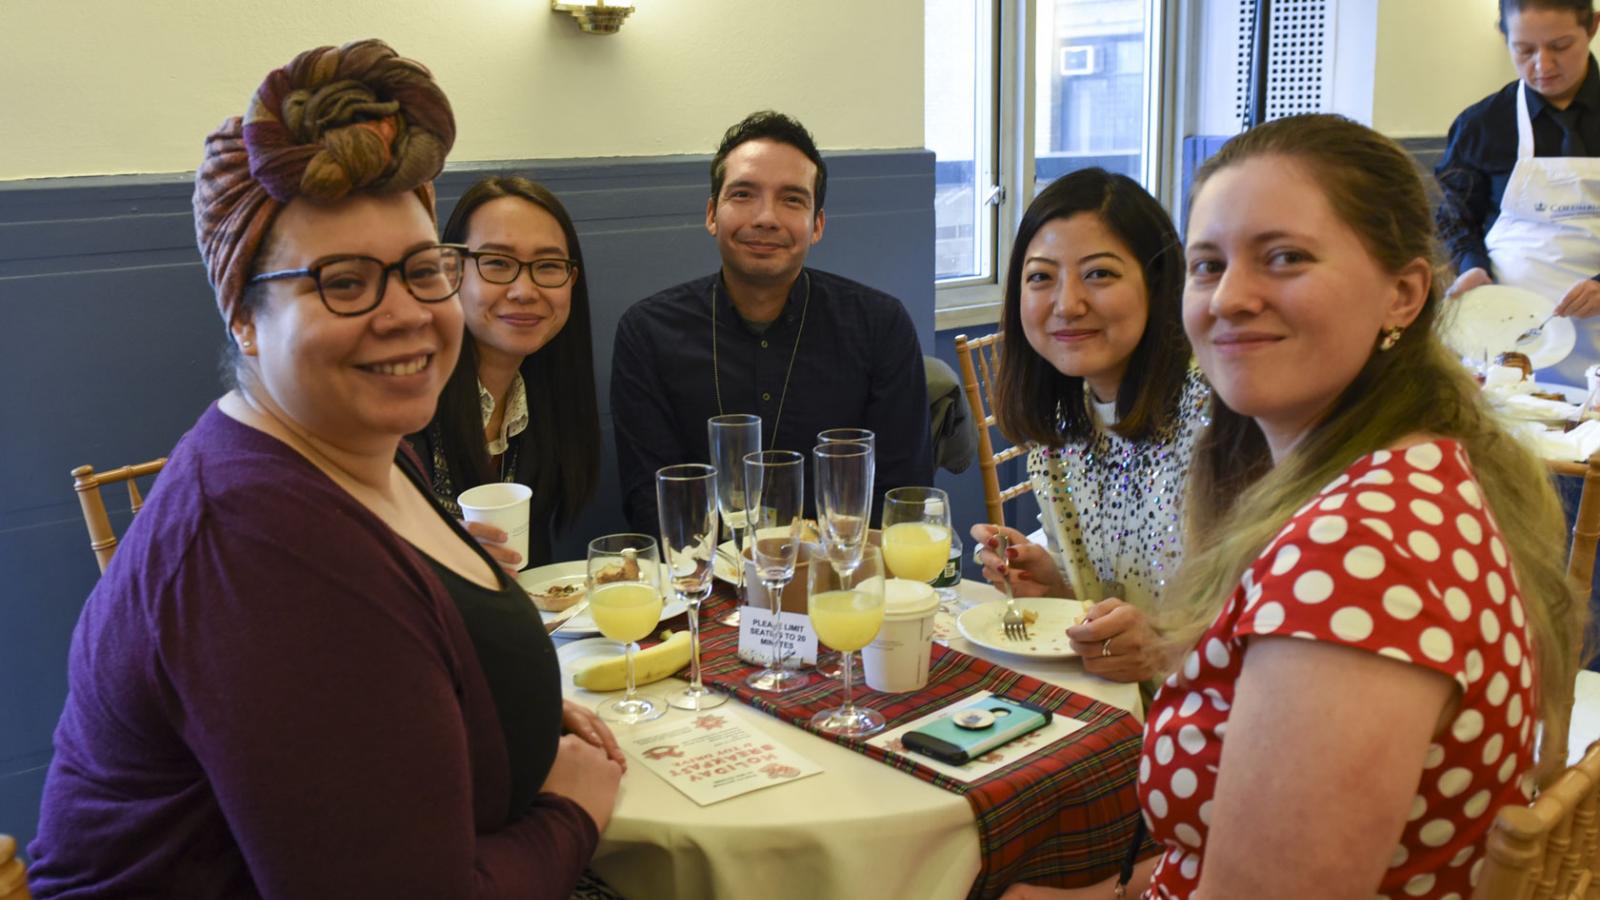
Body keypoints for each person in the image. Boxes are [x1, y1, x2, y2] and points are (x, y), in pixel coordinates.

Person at [28, 40, 624, 898]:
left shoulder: (367, 447)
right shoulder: (254, 541)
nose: (408, 317)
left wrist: (508, 716)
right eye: (345, 282)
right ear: (243, 316)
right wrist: (572, 812)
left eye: (423, 271)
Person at [1007, 114, 1589, 900]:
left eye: (1284, 258)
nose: (1233, 297)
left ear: (1405, 294)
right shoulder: (1410, 466)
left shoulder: (1360, 550)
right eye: (1209, 265)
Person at [610, 110, 934, 532]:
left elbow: (902, 498)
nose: (765, 217)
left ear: (816, 224)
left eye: (792, 199)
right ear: (712, 214)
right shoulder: (647, 333)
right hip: (703, 585)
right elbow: (651, 502)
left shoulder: (880, 326)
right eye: (743, 194)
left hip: (840, 582)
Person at [969, 169, 1209, 685]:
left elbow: (1282, 622)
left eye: (1099, 274)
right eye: (1040, 277)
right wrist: (1056, 585)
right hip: (1112, 707)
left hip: (1207, 730)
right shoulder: (1063, 430)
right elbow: (1116, 600)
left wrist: (1172, 650)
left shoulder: (1221, 419)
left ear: (1158, 281)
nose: (1067, 303)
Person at [409, 176, 600, 570]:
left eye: (548, 266)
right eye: (497, 262)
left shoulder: (547, 401)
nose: (524, 290)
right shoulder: (406, 404)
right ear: (450, 272)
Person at [1437, 0, 1600, 382]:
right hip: (1507, 332)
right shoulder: (1482, 124)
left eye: (1560, 46)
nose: (1542, 66)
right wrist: (1470, 266)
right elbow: (1455, 217)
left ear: (1592, 27)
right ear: (1504, 37)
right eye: (1524, 50)